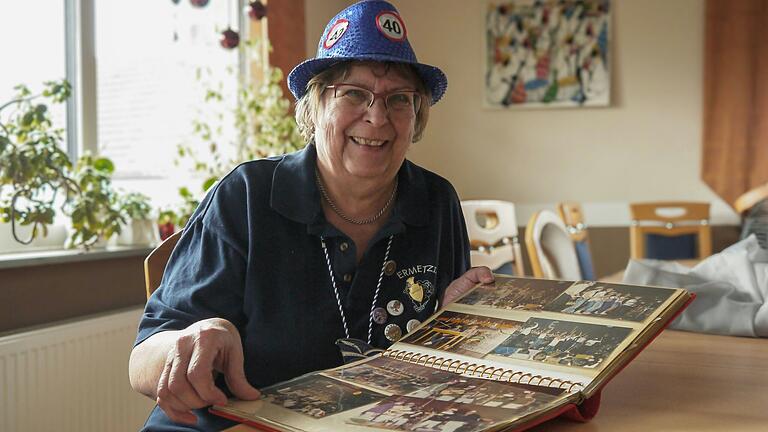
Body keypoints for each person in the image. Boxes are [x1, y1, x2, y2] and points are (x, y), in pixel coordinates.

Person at [128, 1, 493, 430]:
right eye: (353, 94)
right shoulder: (246, 196)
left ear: (416, 116)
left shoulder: (435, 201)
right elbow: (142, 361)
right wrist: (184, 346)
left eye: (399, 99)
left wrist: (462, 329)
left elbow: (444, 371)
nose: (377, 117)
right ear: (315, 105)